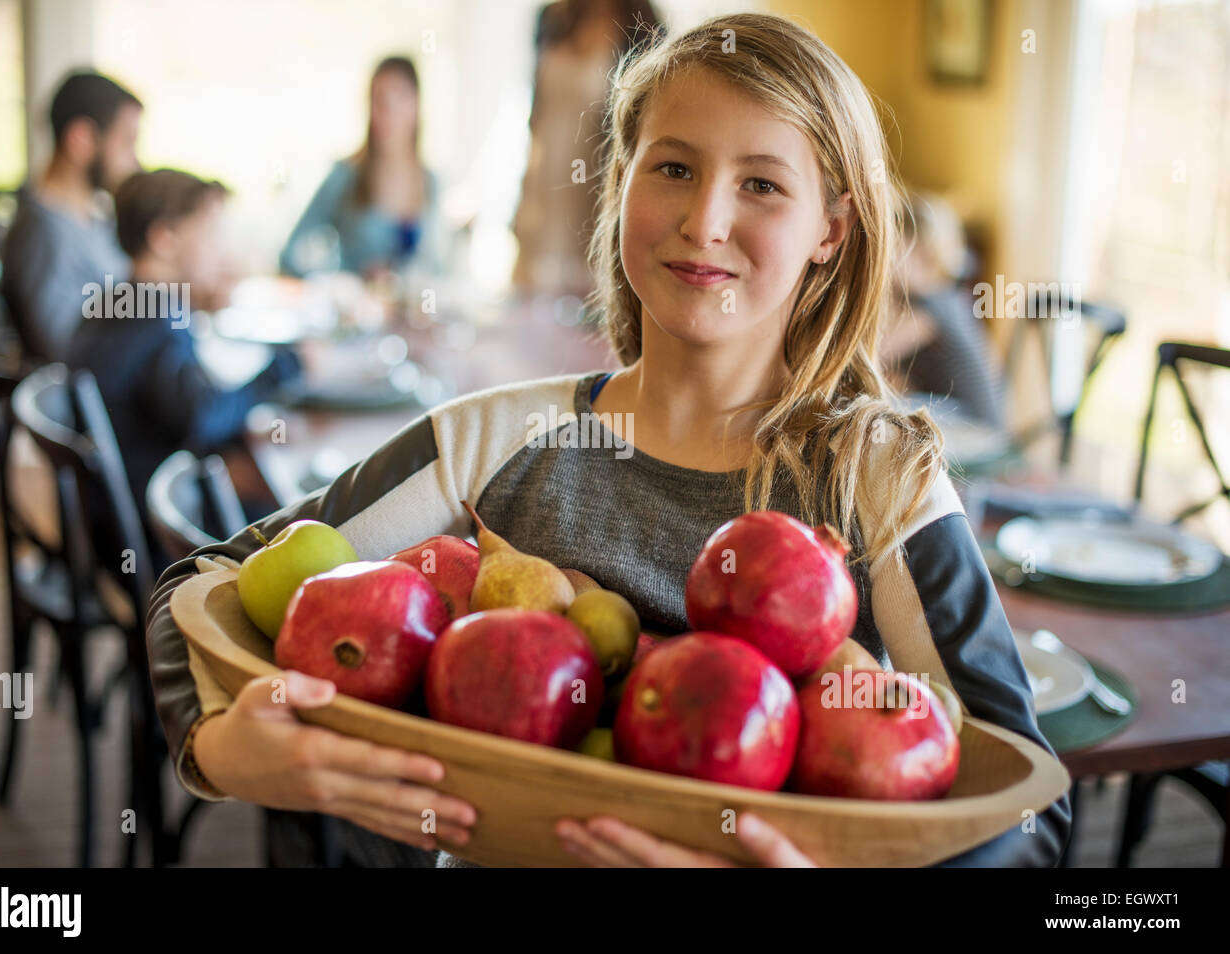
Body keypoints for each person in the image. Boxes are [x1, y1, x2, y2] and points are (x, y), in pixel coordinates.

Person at [145, 13, 1070, 868]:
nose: (704, 219)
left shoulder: (877, 480)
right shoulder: (499, 437)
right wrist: (224, 752)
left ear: (831, 227)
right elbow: (203, 586)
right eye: (671, 167)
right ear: (621, 179)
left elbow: (1024, 807)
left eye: (760, 183)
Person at [68, 169, 299, 573]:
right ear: (165, 239)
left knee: (268, 478)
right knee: (301, 511)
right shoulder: (160, 315)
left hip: (112, 519)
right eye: (211, 234)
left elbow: (178, 406)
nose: (222, 251)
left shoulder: (120, 301)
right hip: (152, 539)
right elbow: (200, 417)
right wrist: (285, 366)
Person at [511, 0, 664, 298]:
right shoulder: (551, 18)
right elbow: (536, 111)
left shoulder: (643, 26)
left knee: (587, 298)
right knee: (532, 294)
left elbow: (642, 126)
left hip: (596, 186)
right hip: (543, 181)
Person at [0, 71, 142, 361]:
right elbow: (62, 346)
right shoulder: (42, 231)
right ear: (81, 139)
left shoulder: (92, 216)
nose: (135, 163)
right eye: (126, 143)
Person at [278, 56, 444, 280]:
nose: (389, 112)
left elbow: (438, 269)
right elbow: (291, 255)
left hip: (413, 314)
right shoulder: (345, 176)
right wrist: (343, 278)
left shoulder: (432, 182)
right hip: (355, 312)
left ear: (416, 104)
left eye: (400, 97)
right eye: (380, 100)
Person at [880, 189, 1006, 429]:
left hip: (977, 431)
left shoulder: (935, 305)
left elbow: (878, 352)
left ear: (922, 252)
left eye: (894, 247)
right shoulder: (949, 298)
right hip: (968, 422)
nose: (885, 260)